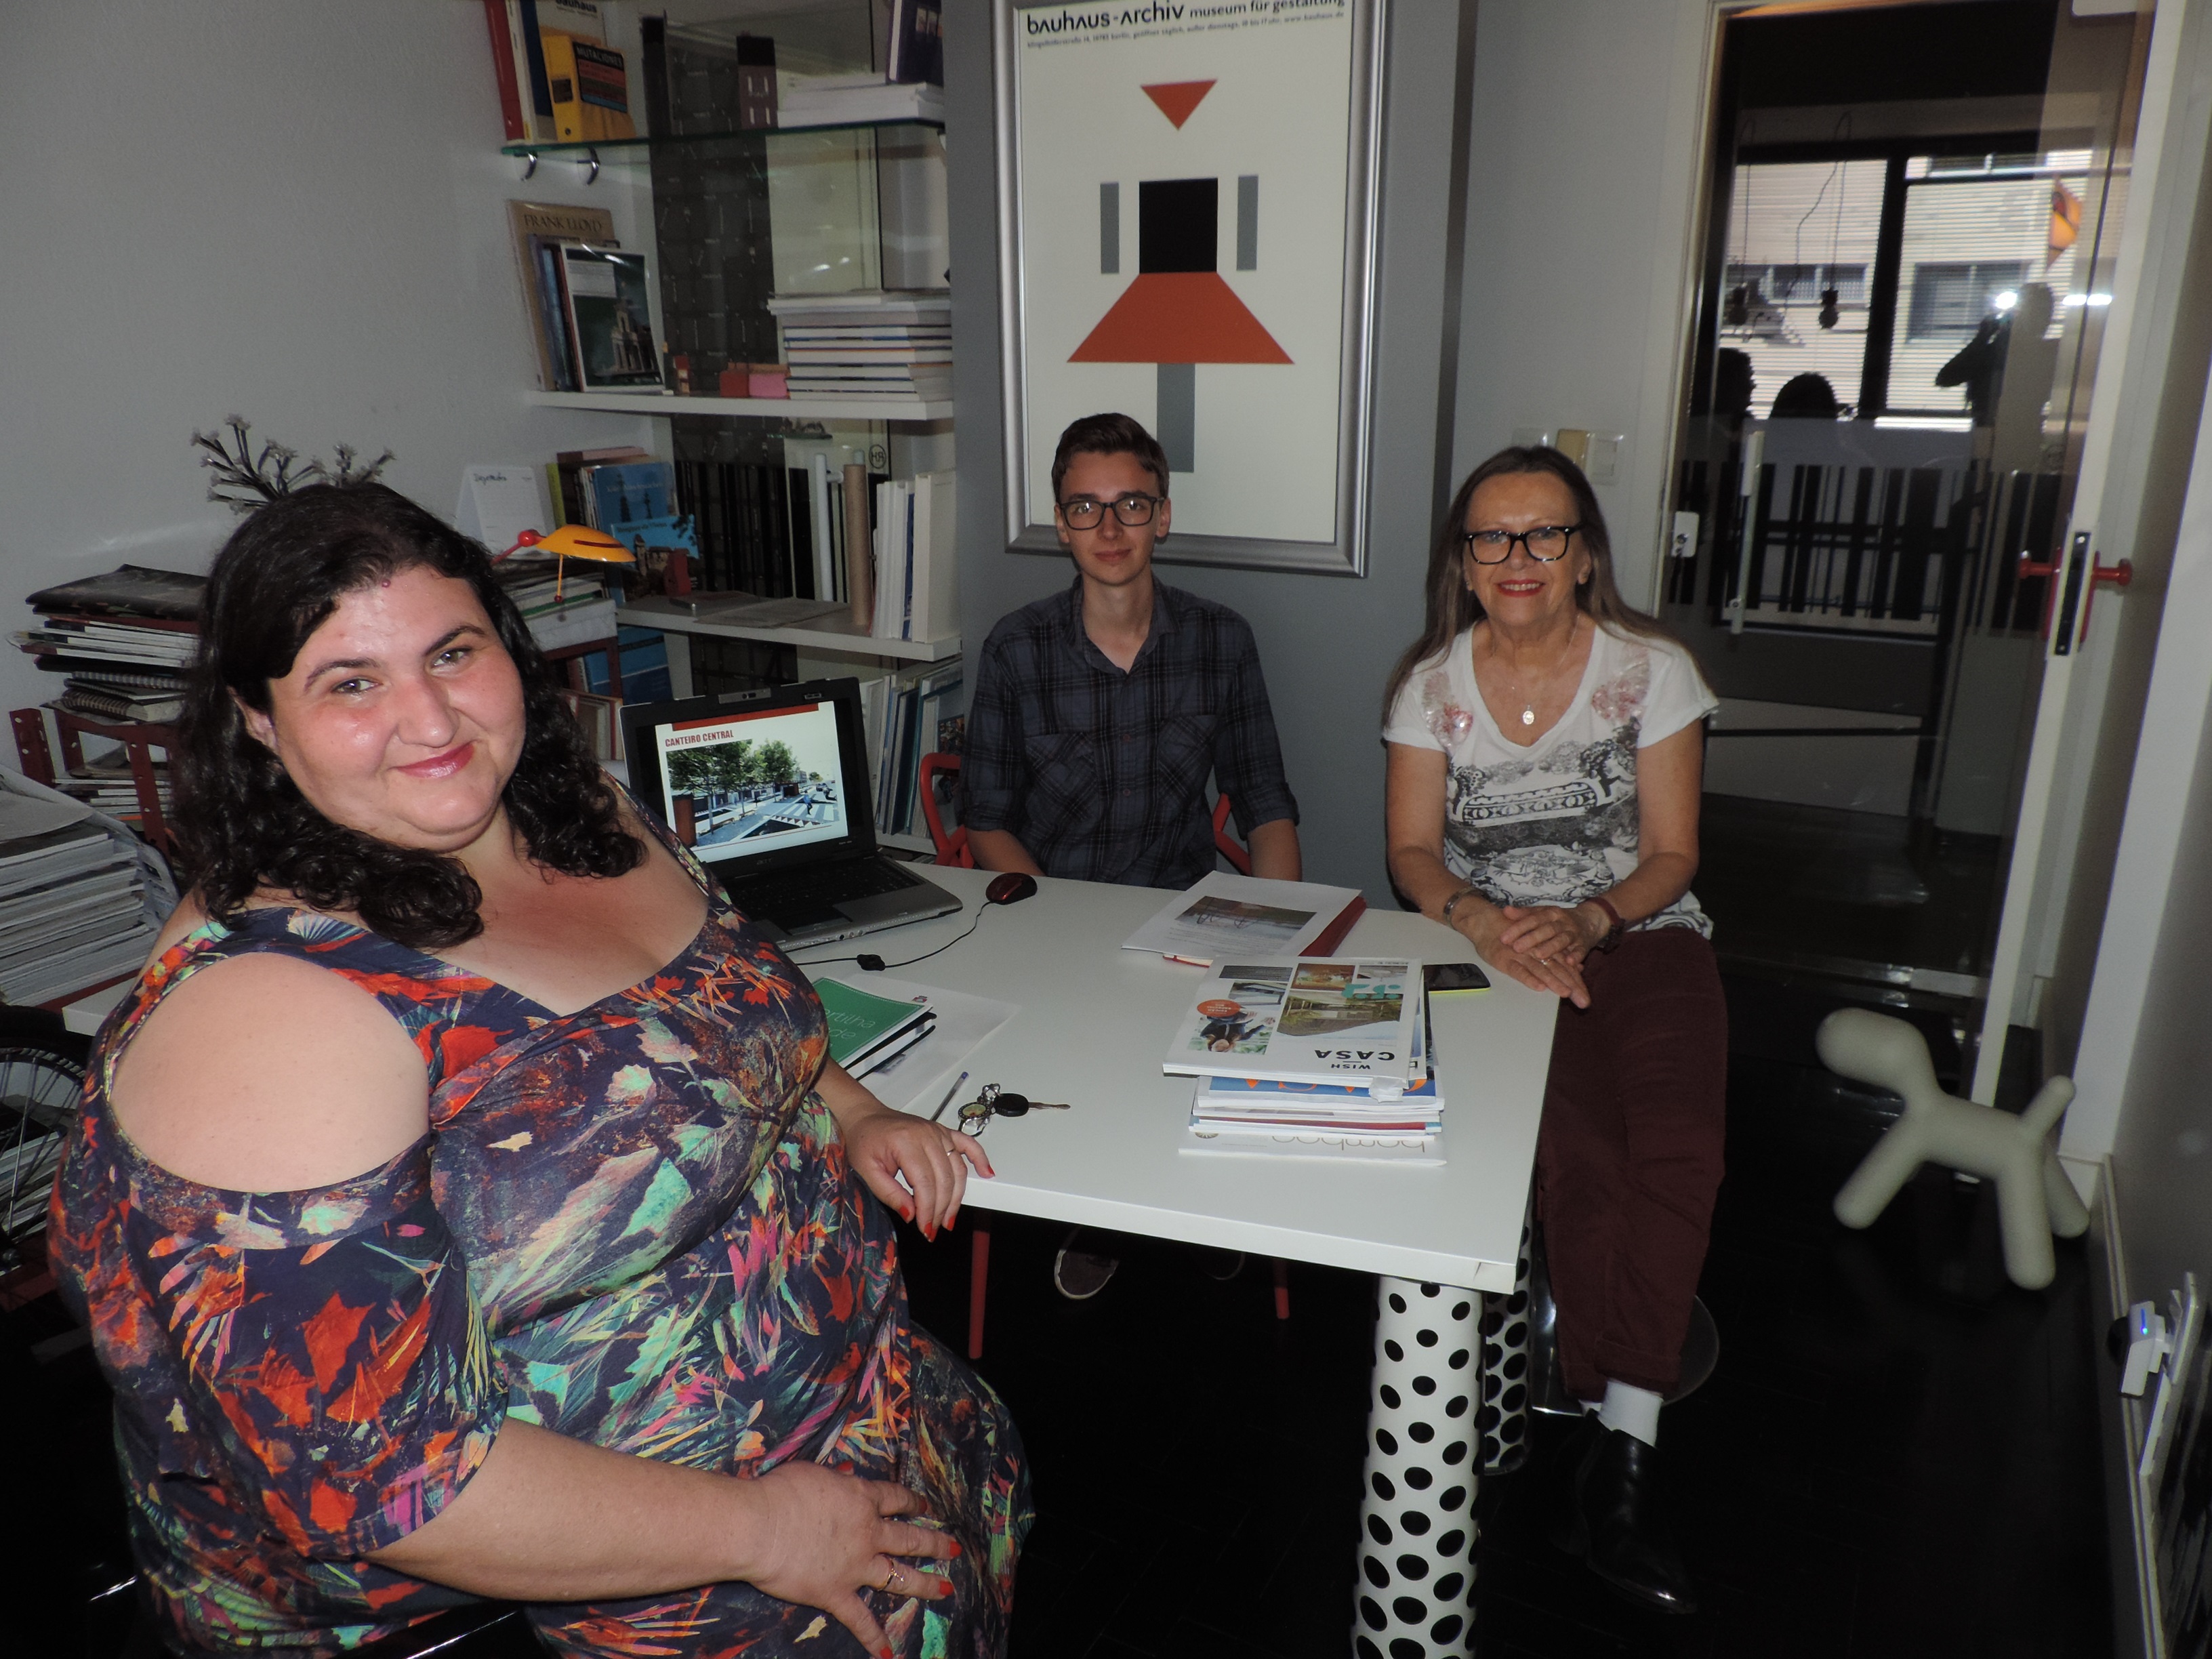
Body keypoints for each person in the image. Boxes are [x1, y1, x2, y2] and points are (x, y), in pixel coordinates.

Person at [49, 484, 1031, 1658]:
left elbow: (725, 1010)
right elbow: (389, 1487)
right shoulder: (268, 1016)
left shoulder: (588, 813)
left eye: (451, 653)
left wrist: (851, 1109)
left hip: (847, 1404)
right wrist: (772, 1530)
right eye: (350, 682)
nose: (429, 720)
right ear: (258, 719)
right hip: (603, 1564)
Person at [1381, 445, 1725, 1616]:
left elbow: (1673, 853)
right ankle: (1609, 1426)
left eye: (1544, 533)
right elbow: (1412, 854)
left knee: (1681, 1147)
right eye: (1492, 536)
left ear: (1584, 555)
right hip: (1501, 953)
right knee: (1583, 1160)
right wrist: (1491, 924)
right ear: (1464, 562)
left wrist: (1587, 919)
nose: (1518, 557)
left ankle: (1620, 1452)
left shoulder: (1652, 674)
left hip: (1642, 933)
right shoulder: (1429, 688)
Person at [962, 411, 1301, 1299]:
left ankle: (1197, 1199)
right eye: (1086, 507)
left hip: (1190, 913)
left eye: (1131, 505)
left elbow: (1265, 801)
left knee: (1214, 1043)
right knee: (1086, 1052)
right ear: (1060, 523)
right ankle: (1098, 1209)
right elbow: (986, 821)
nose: (1109, 528)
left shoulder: (1221, 639)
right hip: (1056, 918)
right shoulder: (1017, 648)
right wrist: (1062, 926)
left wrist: (1279, 934)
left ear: (1164, 515)